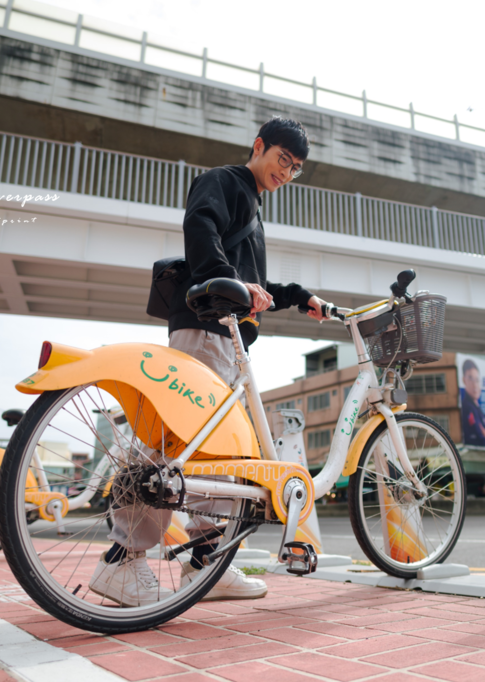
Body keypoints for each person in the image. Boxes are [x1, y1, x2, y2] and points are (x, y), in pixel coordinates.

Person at [89, 116, 329, 607]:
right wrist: (228, 281)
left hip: (225, 336)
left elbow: (249, 279)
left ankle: (207, 565)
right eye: (284, 159)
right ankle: (122, 561)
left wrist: (298, 295)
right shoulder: (224, 181)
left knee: (216, 457)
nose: (287, 172)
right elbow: (201, 228)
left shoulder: (252, 206)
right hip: (206, 329)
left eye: (296, 168)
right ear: (259, 147)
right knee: (170, 446)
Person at [460, 359, 485, 448]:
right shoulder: (467, 407)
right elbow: (481, 437)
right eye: (470, 379)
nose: (475, 384)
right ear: (464, 380)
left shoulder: (478, 409)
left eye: (477, 380)